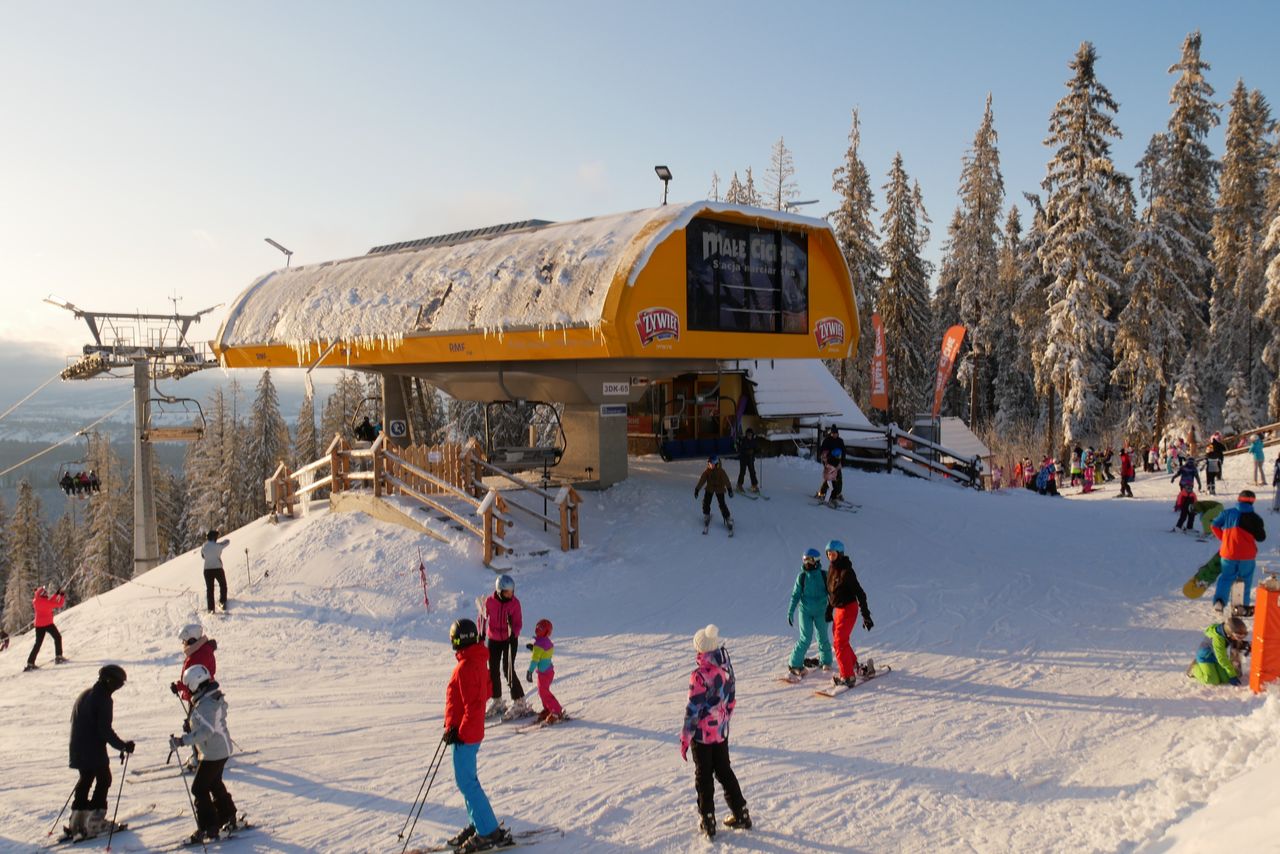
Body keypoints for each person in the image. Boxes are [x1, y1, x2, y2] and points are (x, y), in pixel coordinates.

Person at [443, 618, 512, 853]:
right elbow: (488, 689)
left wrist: (458, 732)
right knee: (468, 783)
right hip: (465, 731)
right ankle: (478, 823)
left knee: (468, 784)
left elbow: (473, 706)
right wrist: (453, 727)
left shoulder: (467, 665)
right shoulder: (475, 660)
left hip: (467, 735)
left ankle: (488, 831)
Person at [680, 624, 750, 839]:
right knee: (723, 770)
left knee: (704, 775)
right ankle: (741, 812)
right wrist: (723, 720)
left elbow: (694, 709)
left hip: (702, 736)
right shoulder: (726, 669)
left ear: (702, 651)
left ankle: (708, 818)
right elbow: (731, 698)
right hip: (720, 733)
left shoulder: (700, 675)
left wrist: (685, 737)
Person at [170, 664, 238, 844]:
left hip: (213, 752)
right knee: (214, 783)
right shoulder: (207, 698)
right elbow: (206, 725)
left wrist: (182, 741)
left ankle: (209, 827)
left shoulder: (206, 703)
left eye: (189, 686)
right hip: (219, 749)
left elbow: (206, 732)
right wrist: (192, 726)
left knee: (198, 788)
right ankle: (228, 815)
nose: (189, 690)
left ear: (195, 684)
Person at [65, 665, 135, 840]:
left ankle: (77, 820)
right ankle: (95, 821)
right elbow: (104, 730)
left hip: (77, 746)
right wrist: (123, 746)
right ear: (109, 681)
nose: (119, 687)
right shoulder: (103, 699)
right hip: (92, 748)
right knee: (104, 779)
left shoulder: (86, 693)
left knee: (86, 778)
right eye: (119, 684)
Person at [1210, 490, 1268, 615]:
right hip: (1247, 556)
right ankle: (1241, 607)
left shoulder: (1226, 513)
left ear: (1238, 499)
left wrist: (1224, 539)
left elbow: (1214, 525)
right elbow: (1261, 538)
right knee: (1245, 581)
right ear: (1253, 502)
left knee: (1226, 578)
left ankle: (1219, 601)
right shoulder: (1256, 518)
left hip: (1228, 553)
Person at [824, 540, 873, 688]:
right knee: (839, 641)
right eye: (829, 554)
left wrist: (866, 615)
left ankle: (847, 677)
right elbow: (832, 593)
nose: (831, 557)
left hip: (849, 609)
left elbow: (860, 593)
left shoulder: (847, 572)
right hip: (838, 609)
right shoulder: (832, 569)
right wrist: (829, 609)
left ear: (840, 554)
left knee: (839, 642)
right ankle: (854, 666)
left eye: (833, 554)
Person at [483, 574, 528, 719]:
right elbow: (483, 618)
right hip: (494, 639)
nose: (510, 594)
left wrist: (513, 633)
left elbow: (518, 622)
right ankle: (498, 701)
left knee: (507, 669)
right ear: (499, 591)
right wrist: (481, 633)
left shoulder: (515, 603)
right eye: (507, 592)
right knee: (493, 670)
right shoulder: (489, 601)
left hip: (510, 639)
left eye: (512, 591)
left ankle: (519, 701)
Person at [785, 548, 832, 676]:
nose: (807, 564)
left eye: (809, 560)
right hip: (805, 611)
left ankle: (826, 661)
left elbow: (832, 593)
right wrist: (790, 611)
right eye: (805, 560)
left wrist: (834, 608)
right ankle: (795, 664)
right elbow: (795, 595)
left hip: (821, 611)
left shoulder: (824, 575)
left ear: (816, 561)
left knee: (822, 637)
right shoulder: (802, 577)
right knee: (805, 638)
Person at [1188, 616, 1250, 686]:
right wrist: (1232, 675)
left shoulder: (1225, 632)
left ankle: (1212, 669)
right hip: (1205, 657)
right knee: (1213, 680)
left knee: (1225, 678)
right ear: (1229, 633)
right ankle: (1194, 669)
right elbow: (1222, 659)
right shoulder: (1218, 639)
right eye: (1238, 637)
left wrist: (1246, 645)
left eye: (1242, 637)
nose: (1239, 639)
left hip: (1215, 657)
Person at [525, 618, 563, 723]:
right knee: (542, 691)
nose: (537, 630)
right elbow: (543, 653)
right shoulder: (546, 642)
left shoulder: (539, 645)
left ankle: (556, 710)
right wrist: (533, 648)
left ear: (546, 631)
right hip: (547, 671)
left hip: (544, 673)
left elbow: (535, 660)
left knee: (543, 691)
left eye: (540, 628)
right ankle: (548, 709)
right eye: (537, 627)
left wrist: (530, 671)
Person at [172, 624, 218, 703]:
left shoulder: (199, 656)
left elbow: (196, 683)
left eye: (184, 640)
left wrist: (179, 687)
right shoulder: (199, 651)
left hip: (201, 700)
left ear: (191, 640)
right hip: (201, 697)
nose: (183, 643)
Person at [25, 585, 68, 671]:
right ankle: (58, 657)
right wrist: (62, 595)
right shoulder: (46, 602)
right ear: (42, 594)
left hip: (38, 625)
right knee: (57, 637)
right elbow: (59, 604)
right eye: (45, 592)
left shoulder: (36, 601)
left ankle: (30, 663)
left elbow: (49, 601)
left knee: (38, 644)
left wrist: (57, 594)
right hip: (48, 624)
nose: (46, 593)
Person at [694, 456, 734, 533]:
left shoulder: (721, 471)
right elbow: (702, 480)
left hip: (719, 488)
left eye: (711, 464)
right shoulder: (707, 471)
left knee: (722, 504)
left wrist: (729, 490)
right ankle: (706, 515)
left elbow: (726, 480)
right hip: (710, 488)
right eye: (709, 464)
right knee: (706, 502)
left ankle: (727, 517)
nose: (710, 466)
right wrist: (697, 489)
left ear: (716, 464)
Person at [200, 530, 230, 614]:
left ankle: (211, 609)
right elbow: (227, 542)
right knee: (223, 585)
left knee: (210, 589)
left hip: (207, 570)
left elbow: (203, 556)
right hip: (218, 568)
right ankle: (222, 602)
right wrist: (218, 544)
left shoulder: (204, 546)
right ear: (214, 537)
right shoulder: (218, 546)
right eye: (216, 537)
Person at [815, 426, 846, 501]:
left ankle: (837, 494)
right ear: (831, 433)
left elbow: (844, 452)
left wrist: (842, 462)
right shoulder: (827, 441)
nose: (835, 435)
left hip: (837, 463)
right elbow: (823, 452)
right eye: (833, 433)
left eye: (836, 433)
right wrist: (826, 461)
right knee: (829, 479)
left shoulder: (840, 441)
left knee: (839, 478)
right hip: (829, 463)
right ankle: (822, 493)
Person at [735, 428, 760, 493]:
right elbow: (740, 449)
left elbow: (755, 449)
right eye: (748, 434)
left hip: (750, 459)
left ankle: (754, 485)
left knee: (752, 472)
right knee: (742, 472)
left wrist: (758, 451)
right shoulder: (743, 440)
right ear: (746, 434)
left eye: (750, 434)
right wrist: (747, 451)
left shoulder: (753, 441)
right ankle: (739, 485)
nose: (749, 435)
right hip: (743, 459)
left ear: (752, 434)